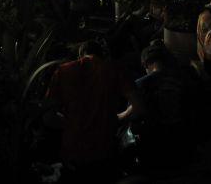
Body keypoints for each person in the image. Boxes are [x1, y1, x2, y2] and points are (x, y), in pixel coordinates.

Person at [45, 40, 143, 178]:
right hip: (105, 149)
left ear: (80, 55)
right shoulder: (115, 69)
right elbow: (138, 106)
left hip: (73, 151)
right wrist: (119, 117)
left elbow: (48, 116)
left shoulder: (63, 71)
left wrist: (73, 124)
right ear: (102, 55)